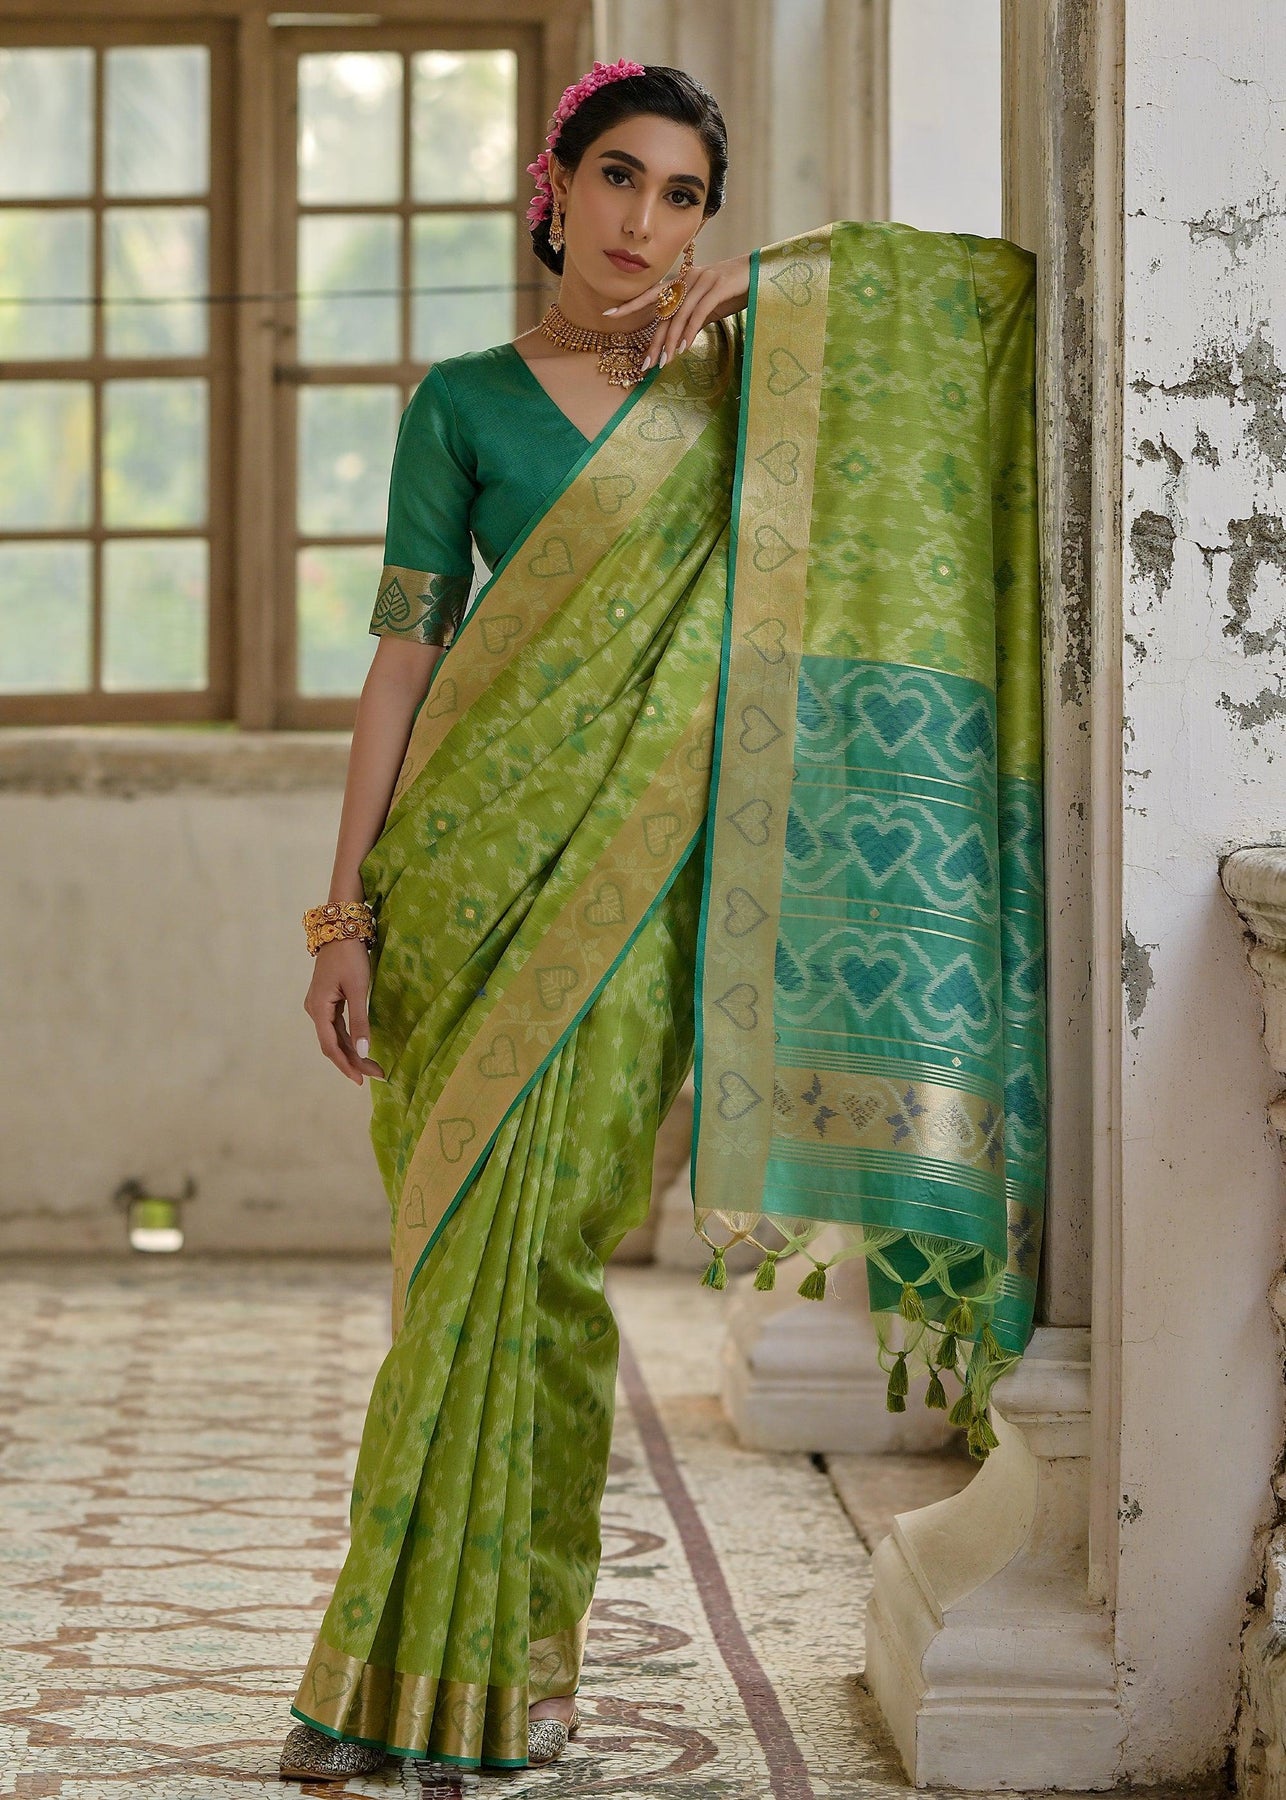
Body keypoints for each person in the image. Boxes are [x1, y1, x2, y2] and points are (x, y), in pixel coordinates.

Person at [279, 57, 1044, 1784]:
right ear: (553, 189)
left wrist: (778, 299)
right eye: (617, 178)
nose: (644, 221)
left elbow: (977, 314)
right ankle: (380, 1673)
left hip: (634, 890)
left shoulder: (746, 381)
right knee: (453, 1277)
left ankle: (510, 1669)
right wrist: (342, 915)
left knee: (547, 1264)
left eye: (684, 196)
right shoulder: (462, 404)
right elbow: (402, 661)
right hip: (461, 877)